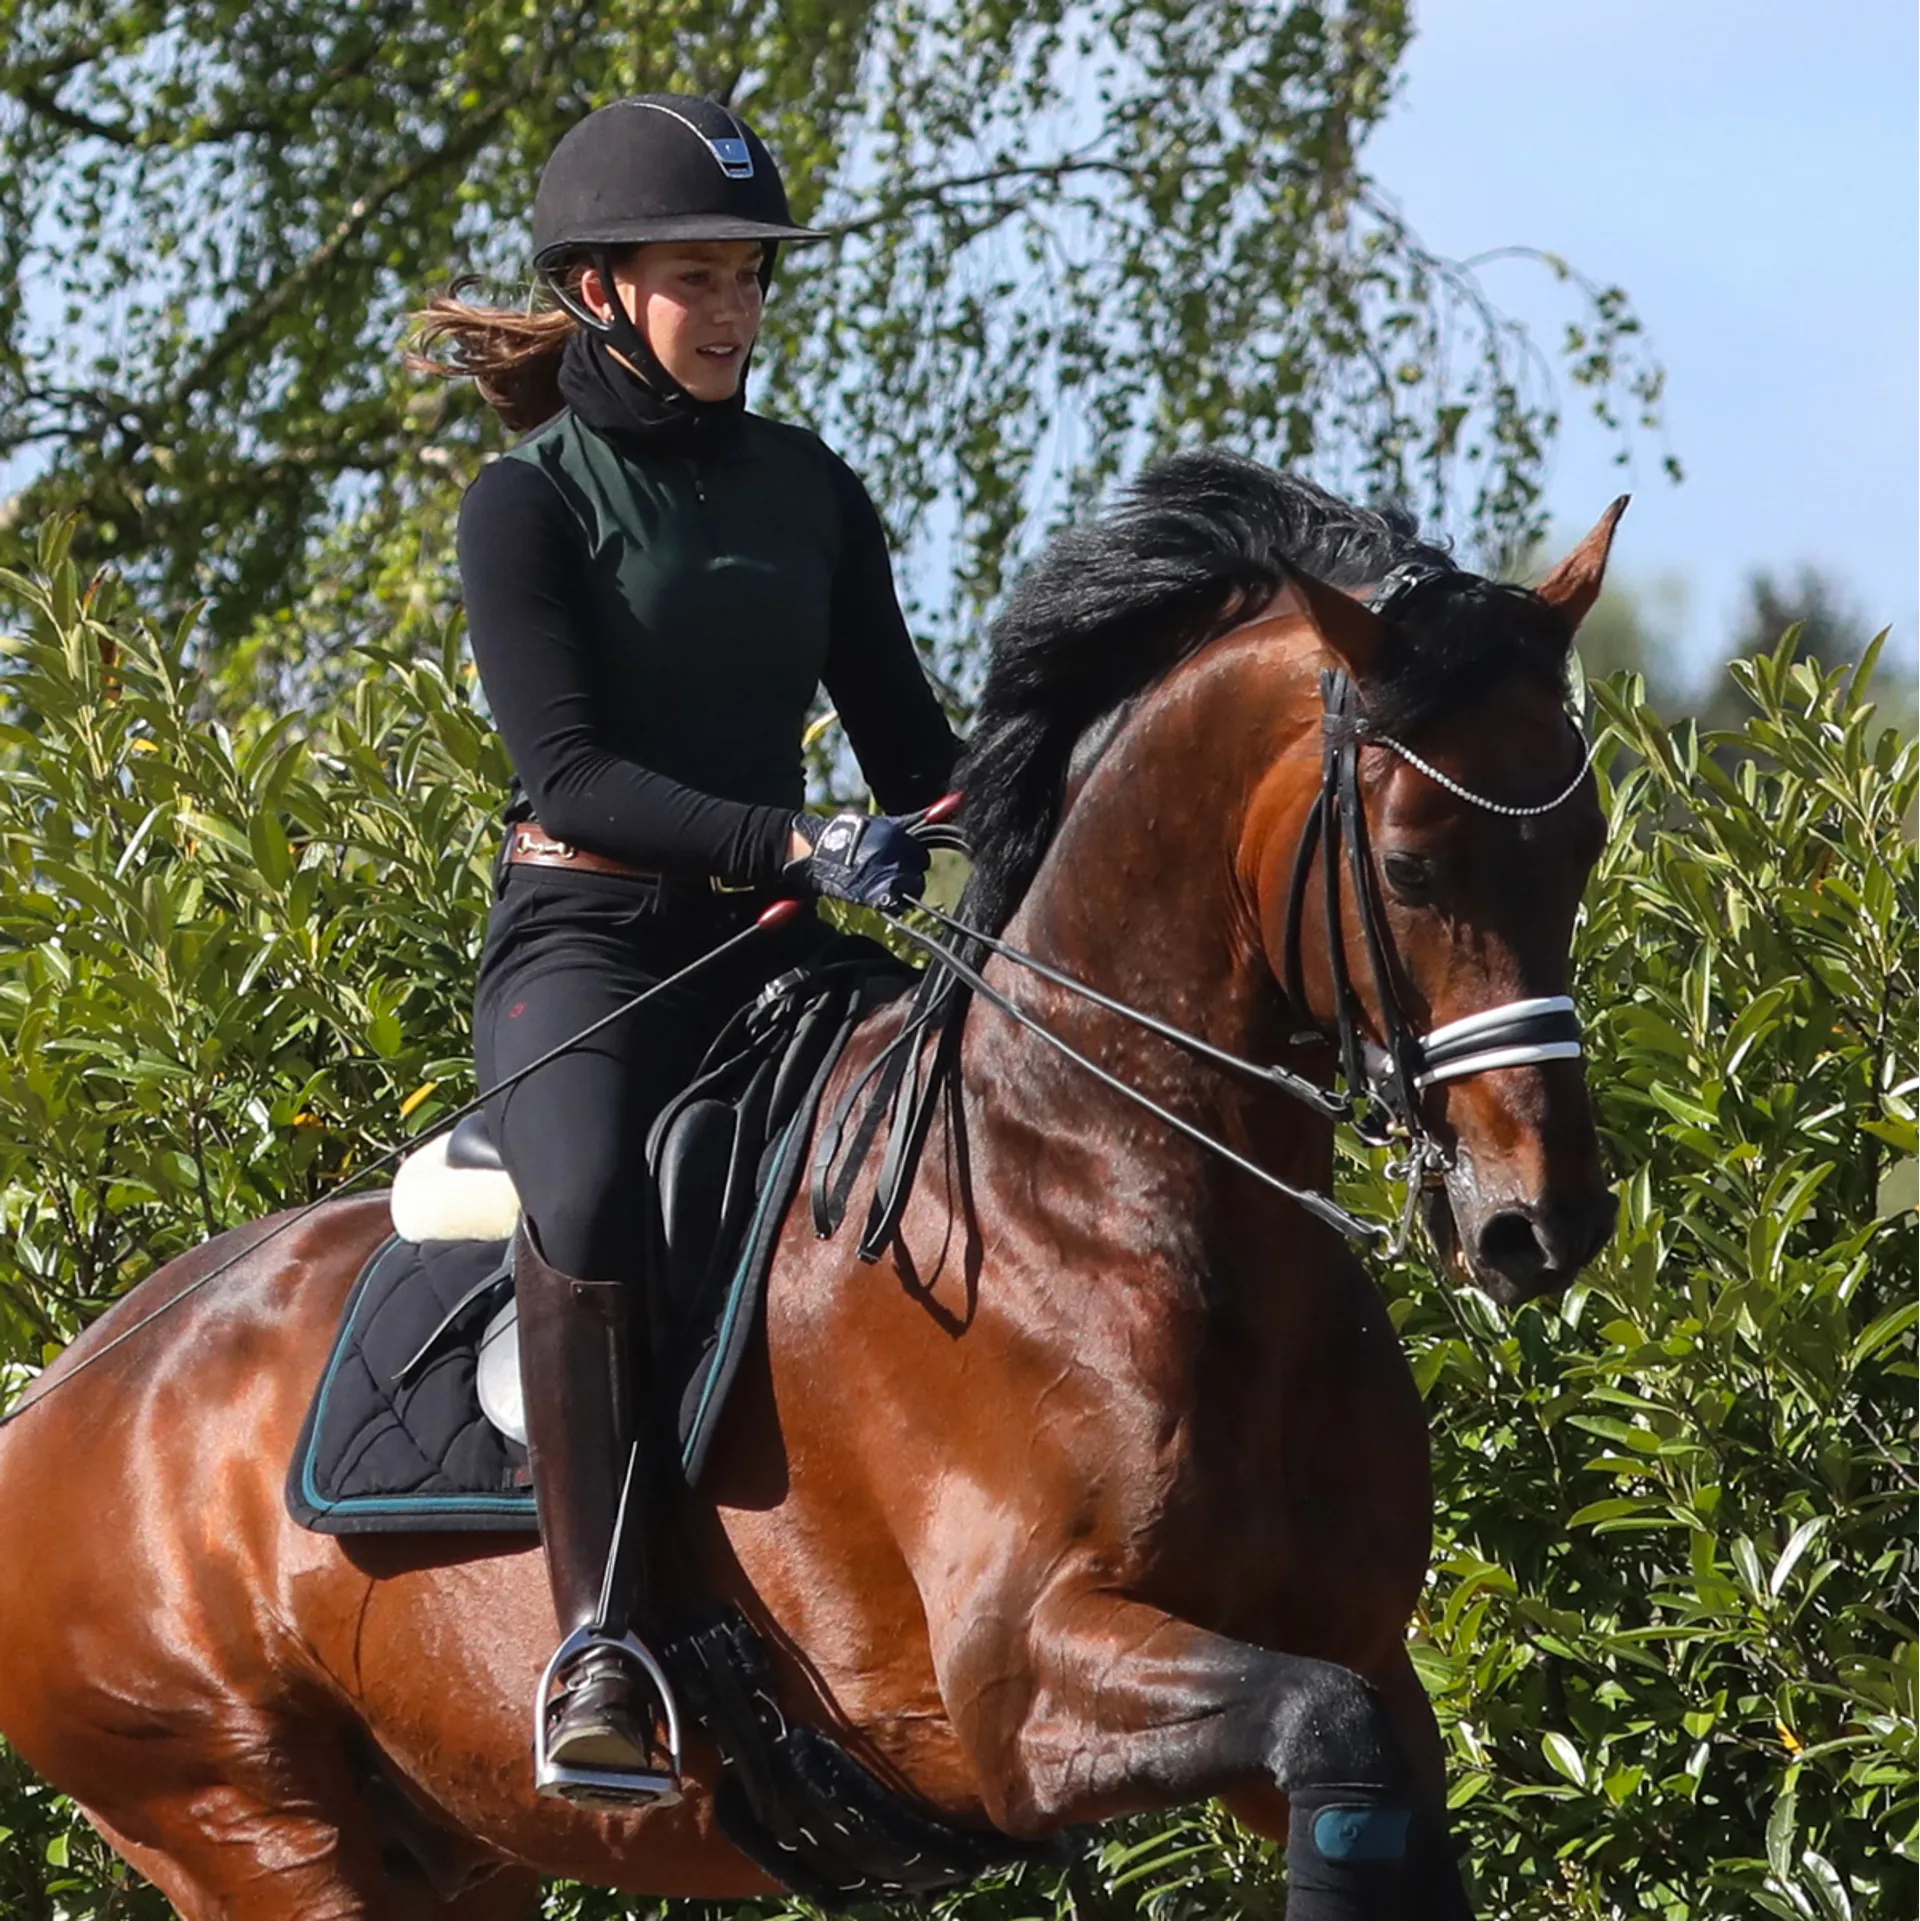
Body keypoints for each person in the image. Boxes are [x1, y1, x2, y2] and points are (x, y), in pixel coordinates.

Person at [412, 93, 961, 1805]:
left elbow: (911, 752)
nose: (732, 311)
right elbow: (571, 770)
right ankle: (596, 1642)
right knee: (581, 1203)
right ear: (596, 292)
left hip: (781, 949)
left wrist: (1033, 820)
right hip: (592, 941)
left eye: (748, 279)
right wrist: (796, 842)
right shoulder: (526, 506)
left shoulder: (809, 487)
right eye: (696, 277)